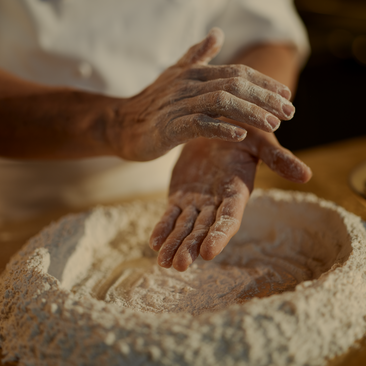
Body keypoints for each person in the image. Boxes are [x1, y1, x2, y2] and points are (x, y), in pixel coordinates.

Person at [0, 0, 312, 271]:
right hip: (24, 206)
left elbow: (267, 37)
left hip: (175, 182)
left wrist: (232, 119)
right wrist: (116, 122)